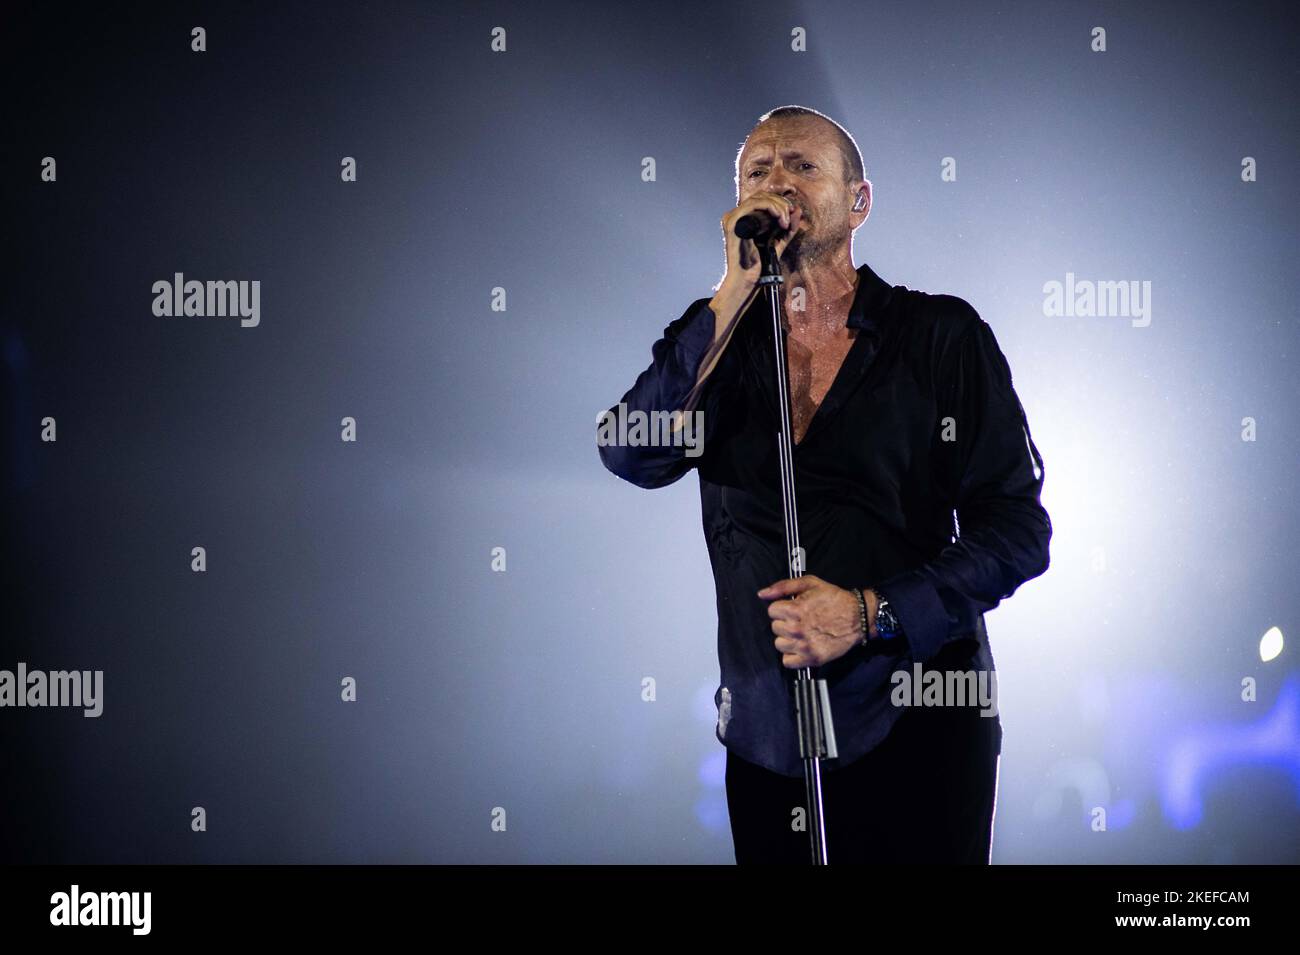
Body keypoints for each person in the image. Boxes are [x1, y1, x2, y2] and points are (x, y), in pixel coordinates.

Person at [597, 105, 1052, 864]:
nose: (777, 183)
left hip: (918, 717)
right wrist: (732, 289)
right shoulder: (716, 344)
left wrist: (871, 613)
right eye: (757, 172)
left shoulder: (939, 337)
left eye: (802, 166)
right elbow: (630, 452)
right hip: (769, 736)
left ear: (860, 200)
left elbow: (1016, 531)